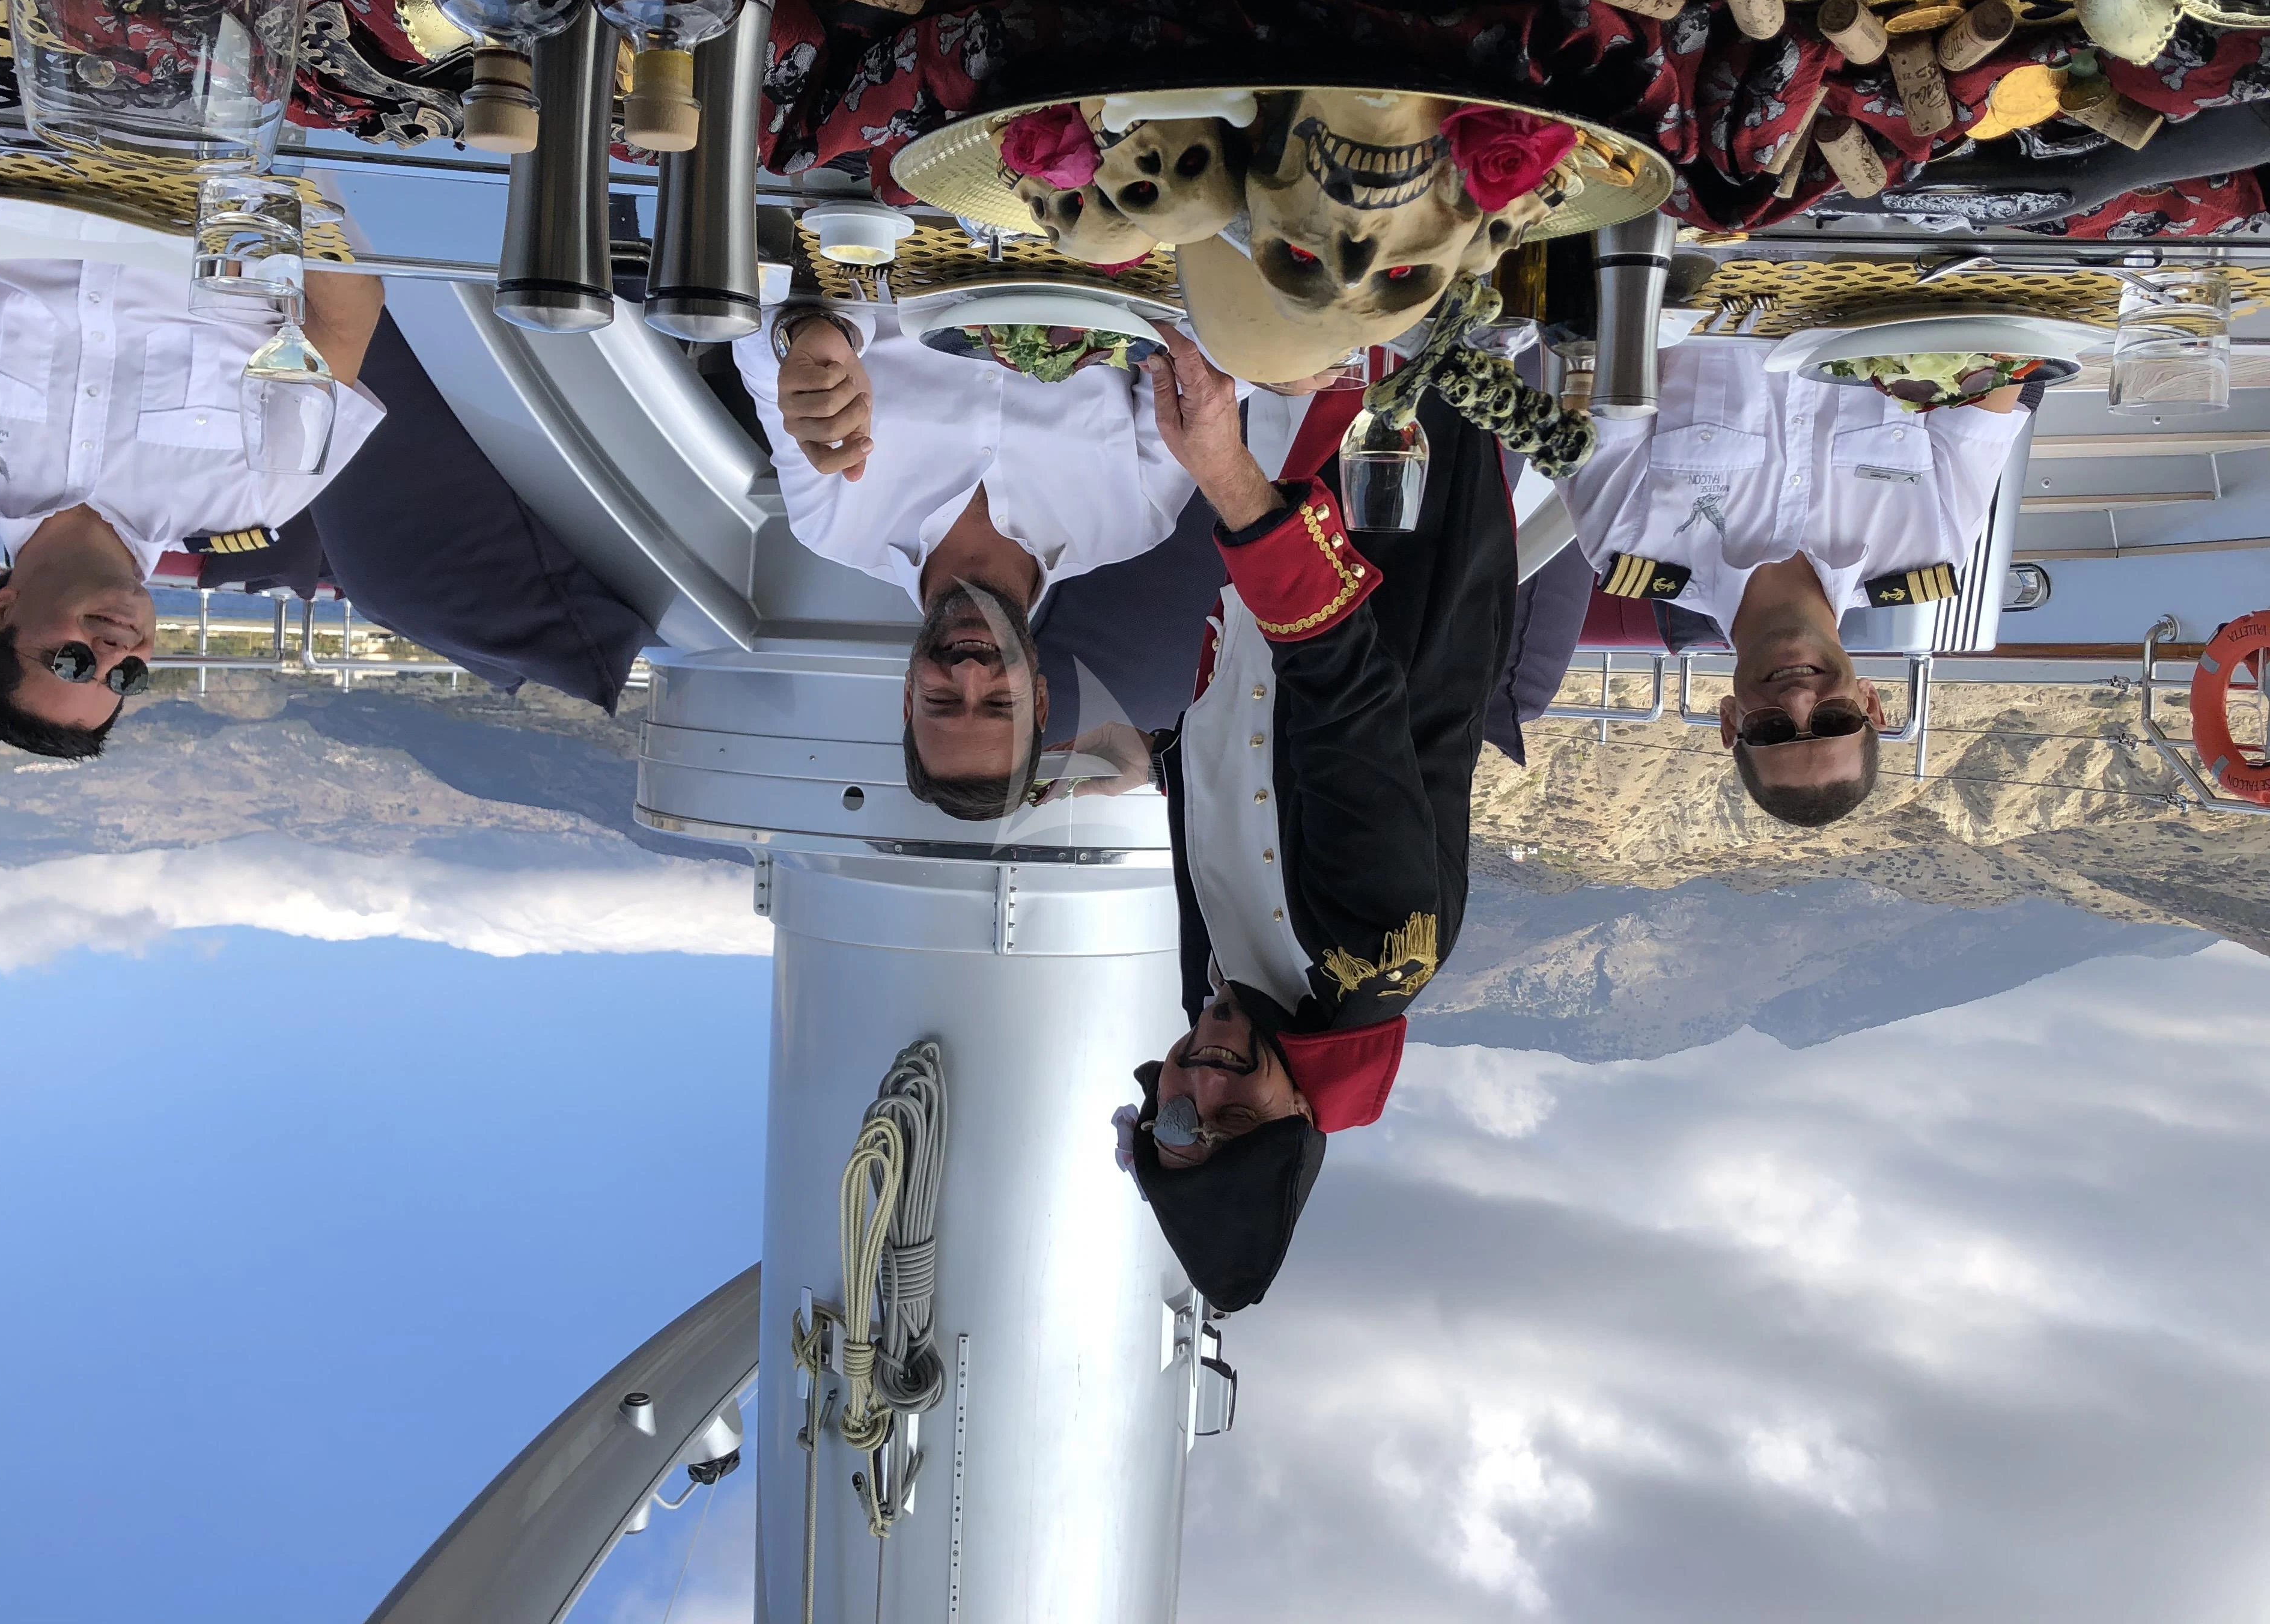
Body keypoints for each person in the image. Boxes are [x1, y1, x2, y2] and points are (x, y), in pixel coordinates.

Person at [1045, 315, 1521, 1312]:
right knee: (1388, 279)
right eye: (1235, 1122)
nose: (1204, 1090)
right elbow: (1343, 693)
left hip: (1284, 525)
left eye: (1176, 1128)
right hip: (1384, 511)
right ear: (1294, 1121)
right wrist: (1225, 481)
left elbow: (1249, 819)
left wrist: (1160, 762)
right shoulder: (1373, 958)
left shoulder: (1211, 994)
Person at [0, 228, 387, 758]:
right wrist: (291, 207)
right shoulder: (251, 500)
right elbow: (342, 325)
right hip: (231, 182)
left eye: (71, 663)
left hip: (26, 164)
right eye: (126, 678)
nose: (115, 654)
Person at [732, 301, 1200, 820]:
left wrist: (810, 338)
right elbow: (1197, 361)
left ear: (909, 697)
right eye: (1001, 704)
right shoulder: (1132, 521)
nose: (972, 674)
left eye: (943, 702)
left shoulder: (831, 523)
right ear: (1040, 699)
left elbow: (758, 330)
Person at [1558, 342, 2031, 828]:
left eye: (1770, 730)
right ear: (1870, 703)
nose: (1798, 701)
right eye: (1834, 722)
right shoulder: (1932, 547)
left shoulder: (1629, 543)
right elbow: (1996, 369)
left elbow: (1598, 347)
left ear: (1730, 720)